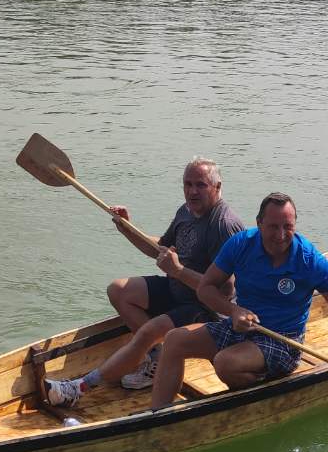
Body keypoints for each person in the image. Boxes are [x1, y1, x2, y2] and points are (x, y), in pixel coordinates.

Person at [149, 192, 328, 410]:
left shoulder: (309, 260)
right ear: (259, 223)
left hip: (283, 341)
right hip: (240, 328)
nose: (280, 235)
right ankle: (158, 416)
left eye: (287, 227)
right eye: (273, 227)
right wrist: (233, 310)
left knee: (225, 363)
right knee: (173, 340)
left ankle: (264, 401)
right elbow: (206, 289)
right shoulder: (240, 244)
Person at [44, 157, 244, 406]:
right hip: (176, 289)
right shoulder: (186, 211)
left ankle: (78, 388)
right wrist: (127, 227)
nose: (192, 191)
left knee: (148, 332)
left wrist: (179, 271)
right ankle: (155, 357)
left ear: (217, 187)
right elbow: (159, 247)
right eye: (187, 184)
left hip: (205, 309)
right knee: (119, 291)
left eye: (201, 185)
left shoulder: (223, 225)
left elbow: (225, 292)